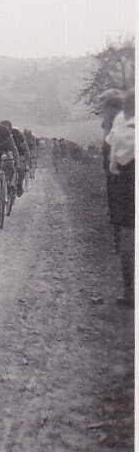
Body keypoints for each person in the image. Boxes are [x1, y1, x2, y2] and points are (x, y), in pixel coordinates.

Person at [105, 88, 135, 307]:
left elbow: (113, 165)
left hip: (129, 179)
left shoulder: (121, 128)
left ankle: (130, 292)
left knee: (129, 234)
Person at [96, 88, 125, 253]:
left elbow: (108, 139)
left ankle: (118, 238)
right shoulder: (126, 112)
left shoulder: (112, 113)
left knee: (115, 198)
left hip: (114, 157)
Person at [0, 120, 31, 197]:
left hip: (19, 153)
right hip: (5, 153)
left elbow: (25, 147)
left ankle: (19, 185)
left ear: (10, 129)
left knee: (20, 168)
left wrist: (27, 158)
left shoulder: (17, 134)